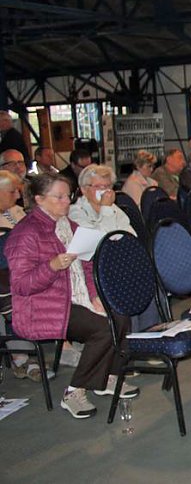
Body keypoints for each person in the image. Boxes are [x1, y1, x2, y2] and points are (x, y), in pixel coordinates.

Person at [6, 173, 139, 419]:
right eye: (59, 197)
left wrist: (94, 295)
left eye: (67, 196)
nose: (66, 201)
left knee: (120, 316)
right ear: (39, 199)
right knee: (102, 328)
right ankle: (74, 392)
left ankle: (107, 378)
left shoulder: (69, 225)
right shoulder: (25, 233)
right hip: (41, 306)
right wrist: (52, 267)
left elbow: (86, 266)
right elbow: (22, 286)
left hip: (74, 298)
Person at [0, 170, 39, 382]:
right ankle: (21, 355)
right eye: (12, 191)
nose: (17, 195)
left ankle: (22, 355)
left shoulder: (16, 211)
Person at [69, 164, 135, 235]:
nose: (103, 190)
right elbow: (100, 238)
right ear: (84, 190)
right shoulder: (75, 212)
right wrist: (106, 208)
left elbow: (130, 235)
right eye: (97, 186)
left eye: (107, 186)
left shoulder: (114, 208)